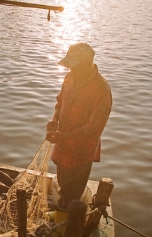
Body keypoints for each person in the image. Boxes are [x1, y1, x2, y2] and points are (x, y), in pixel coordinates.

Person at [45, 43, 112, 210]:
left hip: (80, 152)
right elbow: (60, 102)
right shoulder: (69, 78)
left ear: (86, 63)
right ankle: (63, 210)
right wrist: (54, 120)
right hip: (62, 147)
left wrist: (63, 136)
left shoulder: (101, 89)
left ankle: (68, 221)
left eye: (75, 66)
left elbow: (93, 129)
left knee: (72, 196)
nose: (71, 69)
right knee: (62, 184)